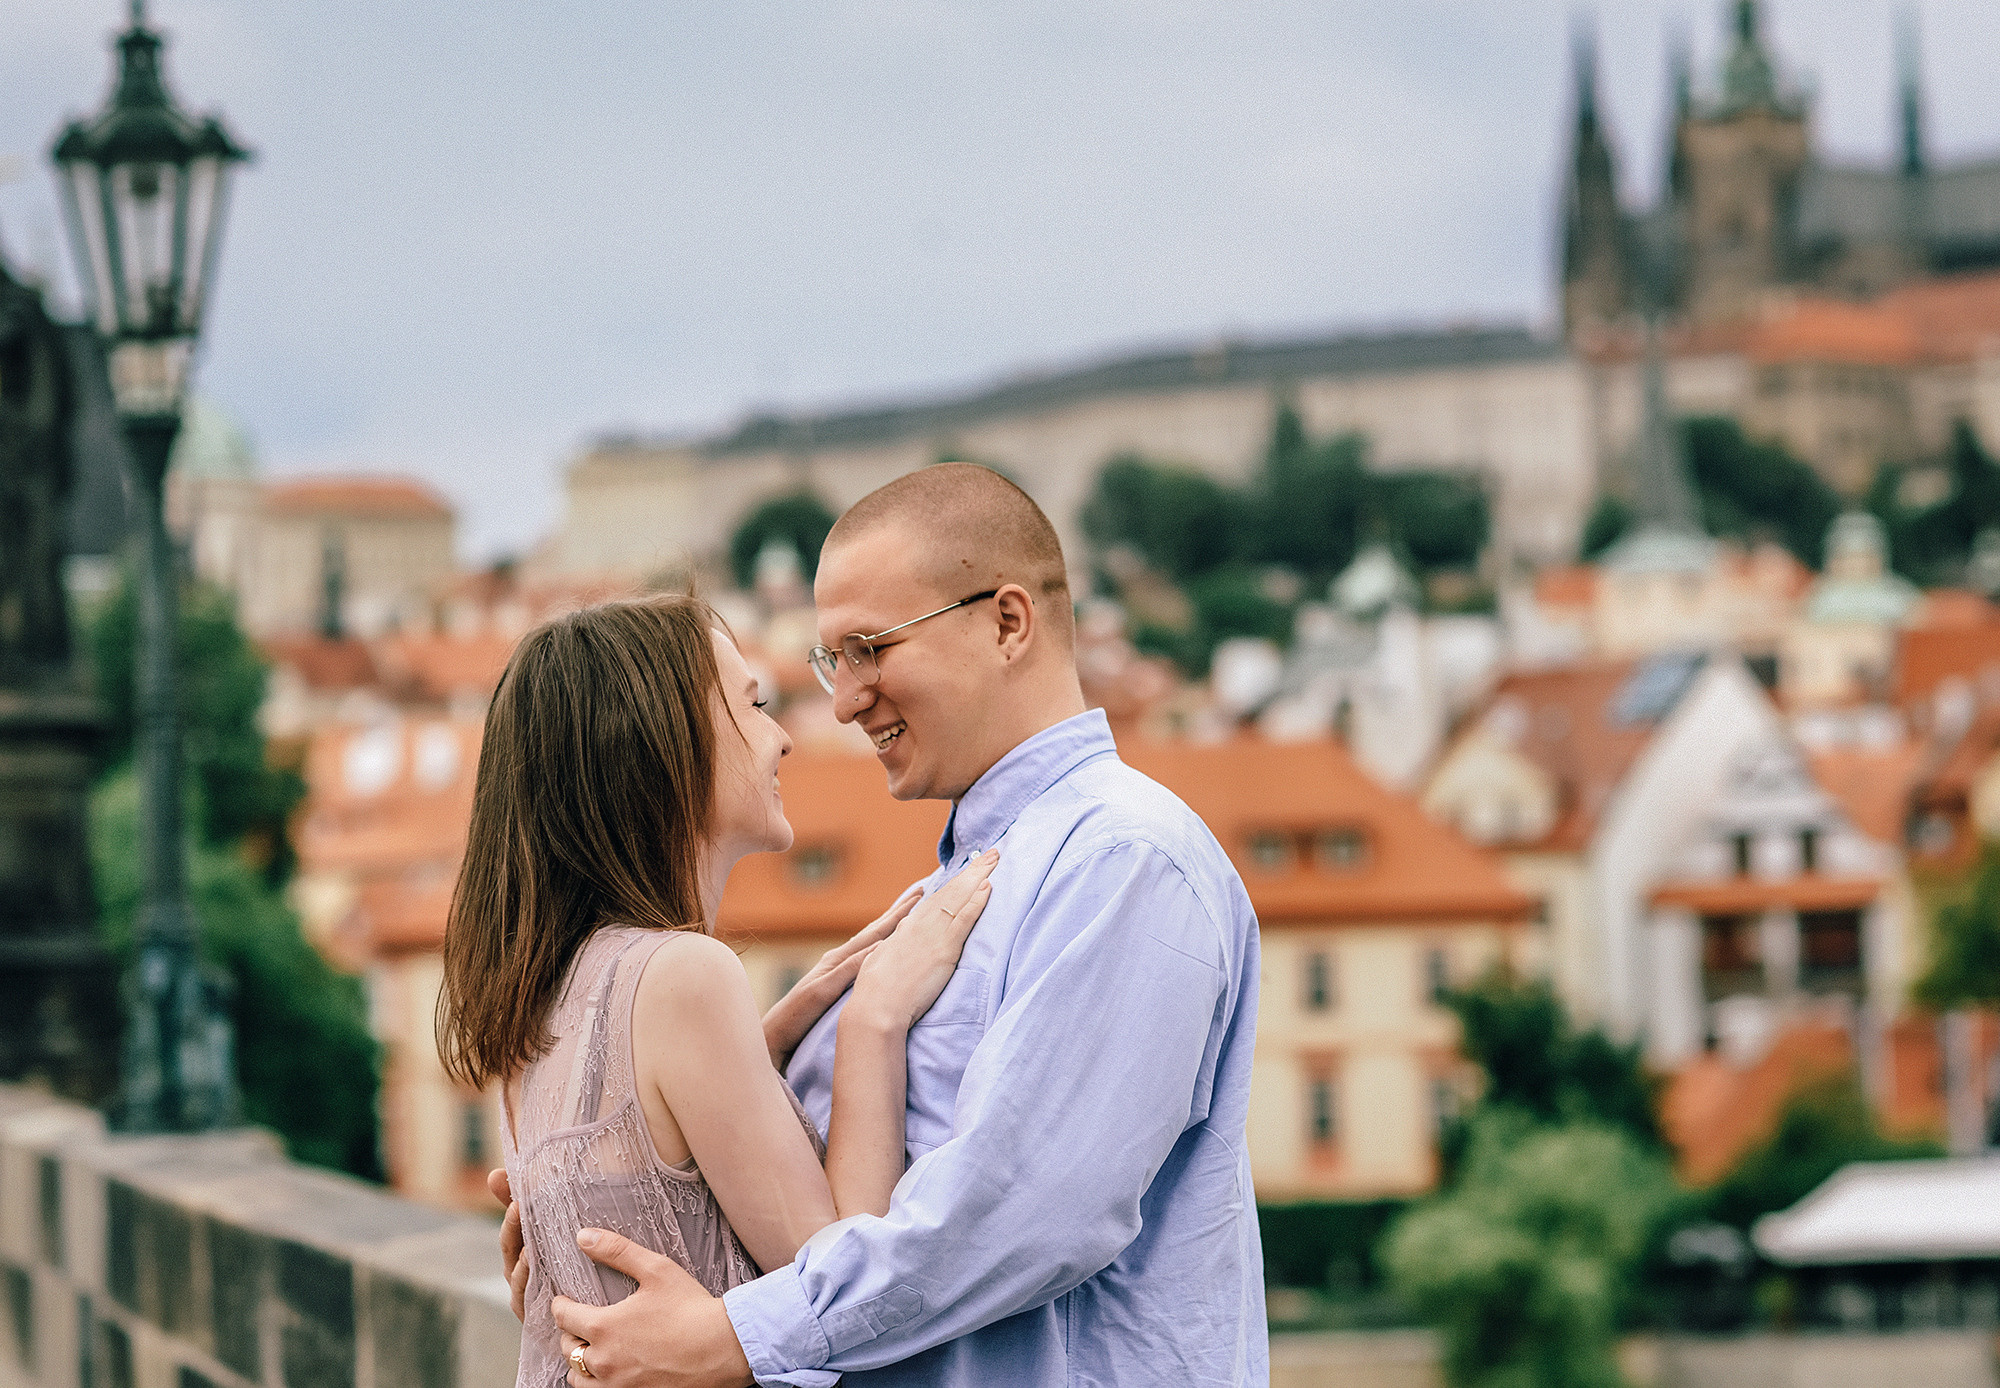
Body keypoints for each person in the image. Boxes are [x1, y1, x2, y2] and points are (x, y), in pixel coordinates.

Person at [498, 463, 1268, 1386]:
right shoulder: (957, 889)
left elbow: (1027, 1210)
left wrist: (732, 1337)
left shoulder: (1124, 861)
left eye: (869, 649)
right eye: (833, 660)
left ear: (1007, 623)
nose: (842, 700)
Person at [438, 595, 1000, 1388]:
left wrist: (766, 1038)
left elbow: (643, 1151)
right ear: (667, 747)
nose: (784, 738)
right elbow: (838, 1280)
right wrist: (875, 1018)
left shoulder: (547, 987)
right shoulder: (683, 976)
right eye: (754, 706)